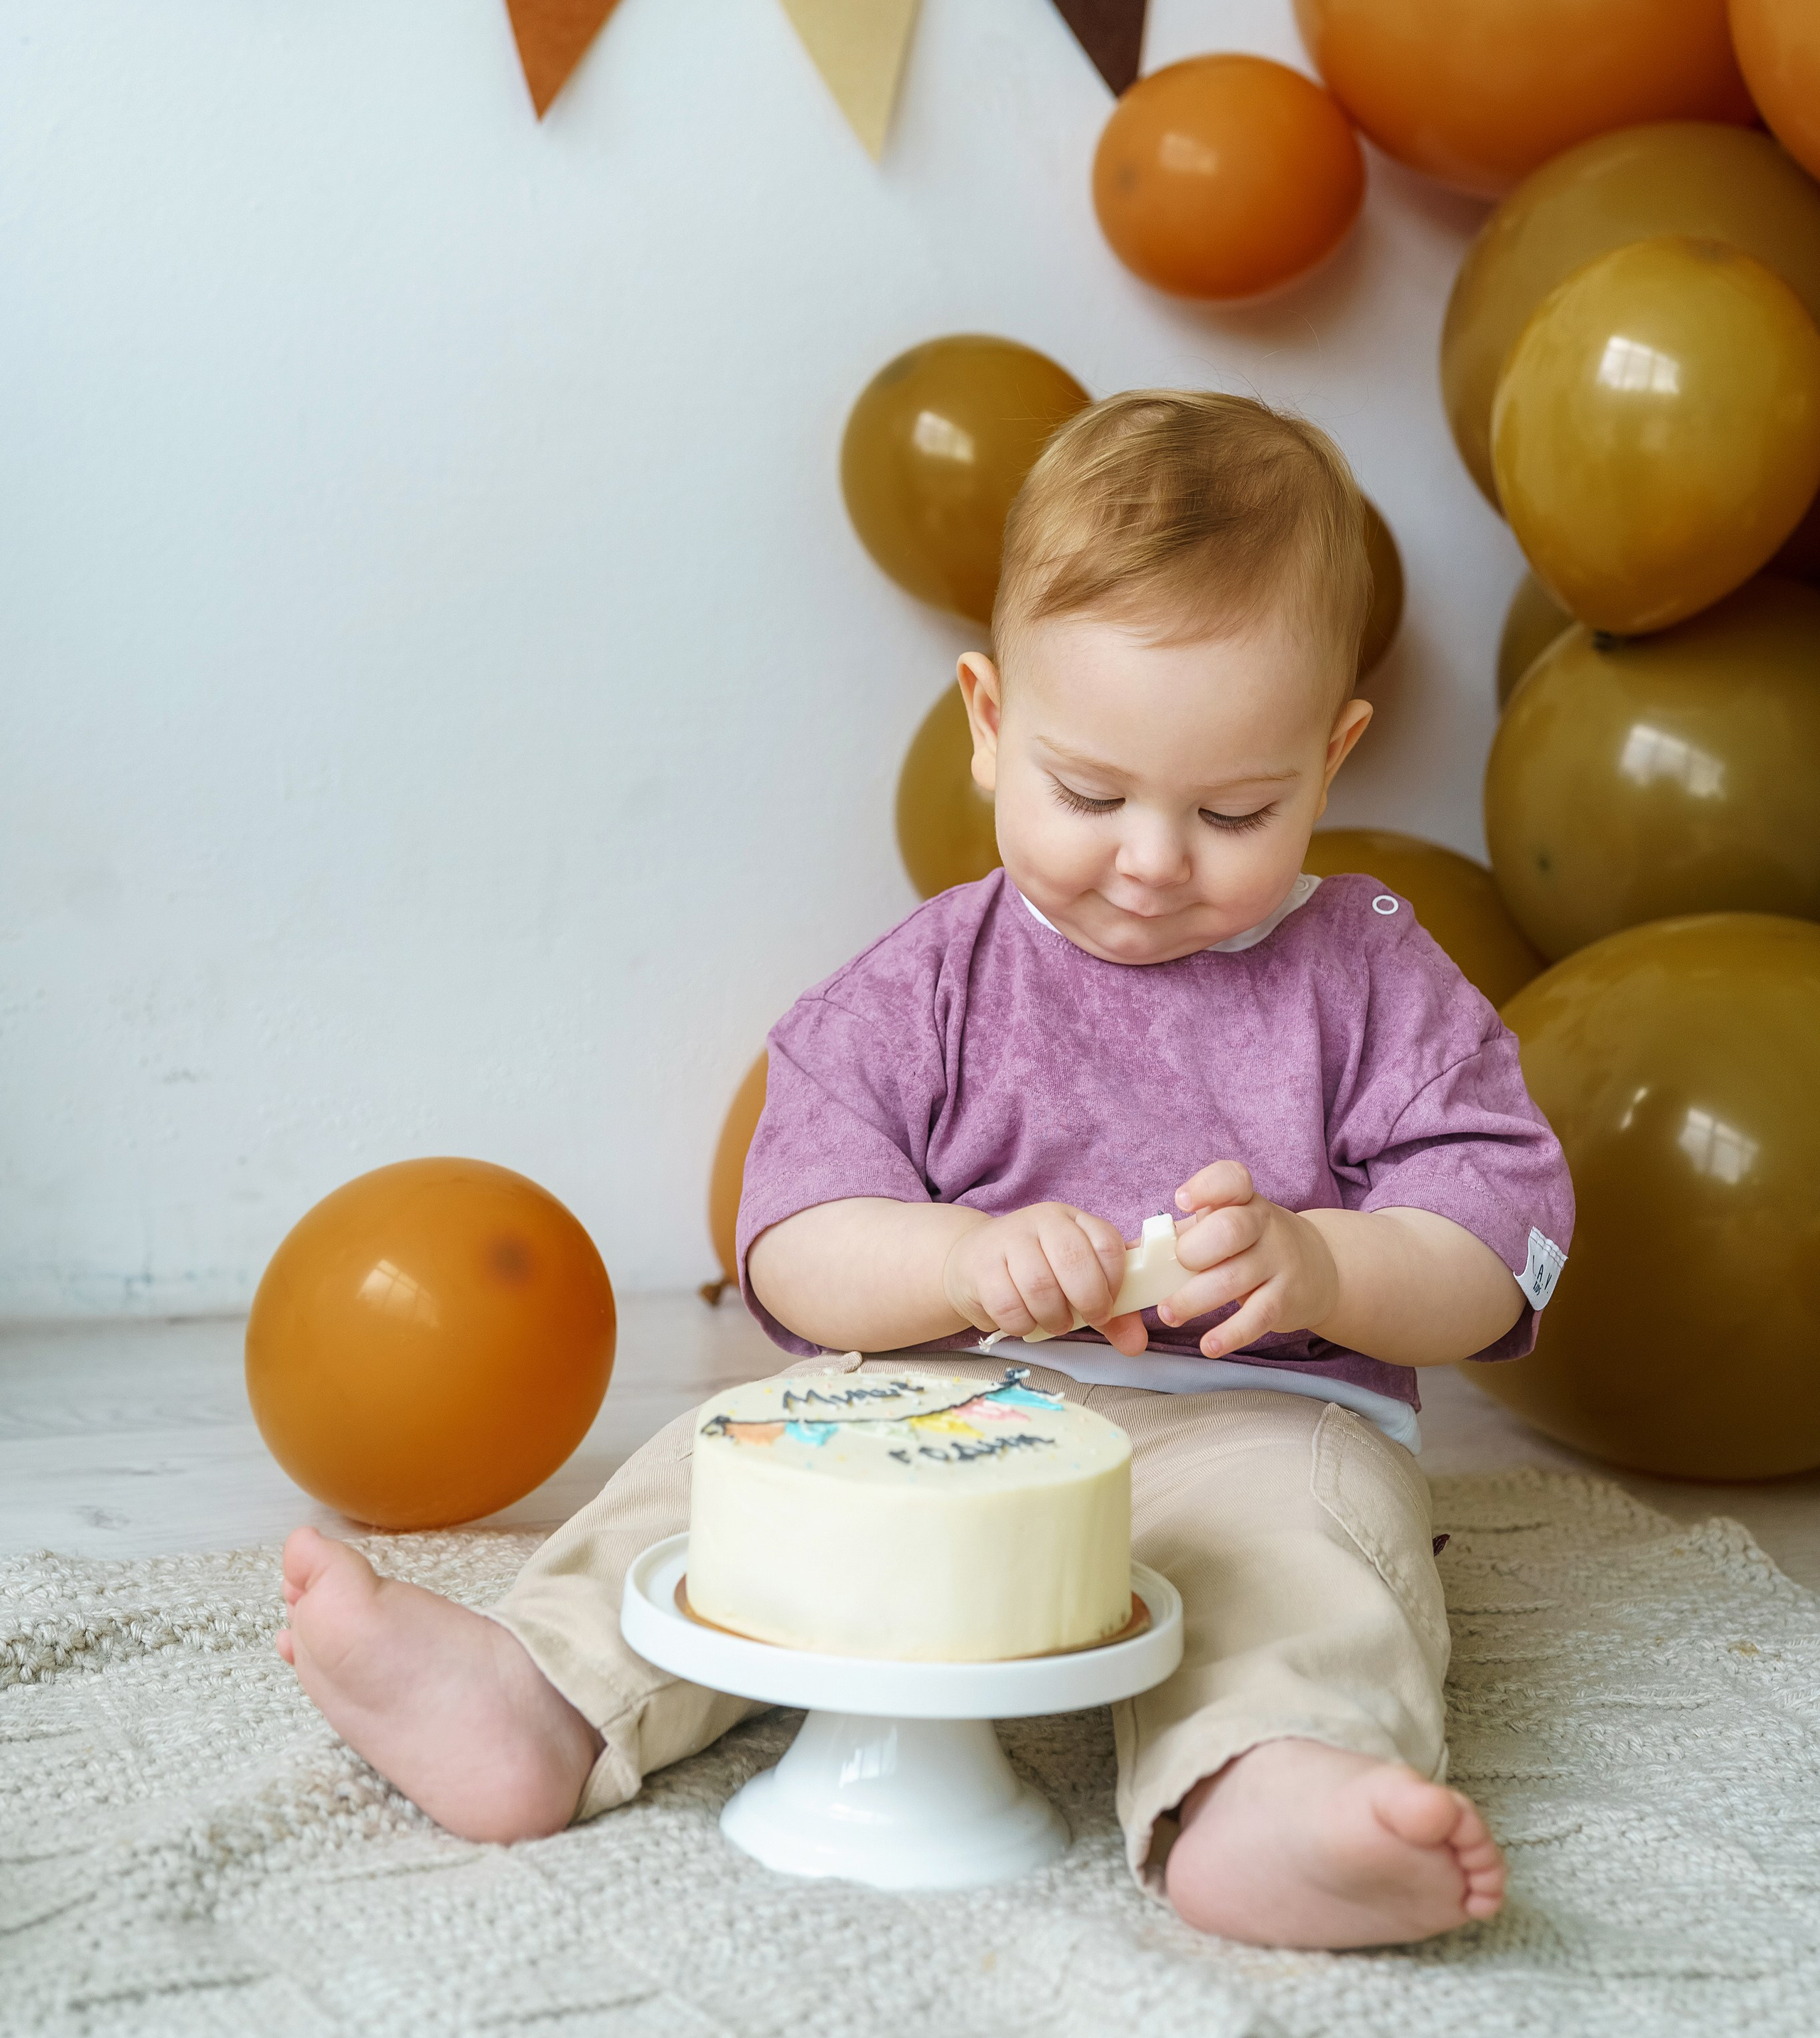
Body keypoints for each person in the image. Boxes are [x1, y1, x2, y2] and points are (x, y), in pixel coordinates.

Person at [278, 390, 1571, 1948]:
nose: (1152, 859)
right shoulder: (929, 983)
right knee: (722, 1470)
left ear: (1330, 753)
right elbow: (791, 1244)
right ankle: (537, 1692)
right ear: (986, 722)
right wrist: (957, 1265)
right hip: (937, 1412)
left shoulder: (1370, 978)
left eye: (1235, 809)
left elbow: (1496, 1238)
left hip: (1255, 1422)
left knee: (1311, 1566)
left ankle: (1272, 1792)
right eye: (1088, 794)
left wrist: (1325, 1264)